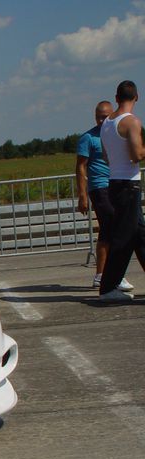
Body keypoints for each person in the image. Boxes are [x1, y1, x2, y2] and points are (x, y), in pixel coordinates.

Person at [76, 101, 134, 291]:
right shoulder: (88, 138)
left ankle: (104, 275)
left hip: (115, 185)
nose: (101, 120)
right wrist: (82, 195)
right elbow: (80, 166)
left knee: (109, 230)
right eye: (98, 117)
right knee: (113, 227)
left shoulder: (113, 134)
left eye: (105, 117)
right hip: (99, 187)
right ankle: (110, 275)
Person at [98, 80, 145, 302]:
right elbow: (137, 155)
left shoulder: (107, 123)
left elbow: (106, 156)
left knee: (140, 235)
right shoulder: (131, 122)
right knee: (124, 239)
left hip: (115, 182)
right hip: (129, 185)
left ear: (116, 98)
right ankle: (108, 288)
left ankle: (108, 286)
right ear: (137, 97)